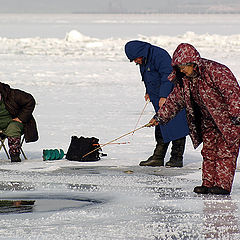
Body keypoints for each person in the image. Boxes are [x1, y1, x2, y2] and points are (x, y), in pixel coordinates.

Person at [149, 43, 240, 195]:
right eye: (179, 68)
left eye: (183, 67)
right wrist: (159, 117)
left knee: (225, 152)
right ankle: (208, 183)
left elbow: (233, 94)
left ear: (192, 62)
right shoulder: (185, 79)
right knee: (209, 152)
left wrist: (236, 115)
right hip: (207, 120)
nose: (181, 70)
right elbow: (175, 100)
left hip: (228, 121)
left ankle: (222, 186)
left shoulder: (216, 71)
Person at [125, 40, 189, 167]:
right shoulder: (144, 59)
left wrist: (164, 95)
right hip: (157, 98)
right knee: (161, 124)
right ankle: (158, 157)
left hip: (171, 96)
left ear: (140, 53)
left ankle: (176, 158)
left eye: (135, 59)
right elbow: (148, 77)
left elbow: (168, 75)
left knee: (177, 126)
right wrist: (148, 91)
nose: (135, 62)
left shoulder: (159, 55)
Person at [0, 82, 38, 162]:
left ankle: (14, 155)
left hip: (14, 123)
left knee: (13, 128)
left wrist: (21, 118)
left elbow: (30, 101)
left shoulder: (12, 94)